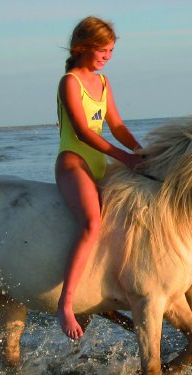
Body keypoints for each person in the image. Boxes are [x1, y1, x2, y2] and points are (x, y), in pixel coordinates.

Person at [56, 16, 142, 340]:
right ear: (82, 48)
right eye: (103, 50)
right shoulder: (70, 82)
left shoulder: (103, 82)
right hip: (73, 162)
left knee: (129, 212)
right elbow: (81, 131)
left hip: (100, 166)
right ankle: (65, 304)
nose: (107, 56)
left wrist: (141, 151)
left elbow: (117, 126)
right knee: (92, 223)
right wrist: (125, 157)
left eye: (111, 51)